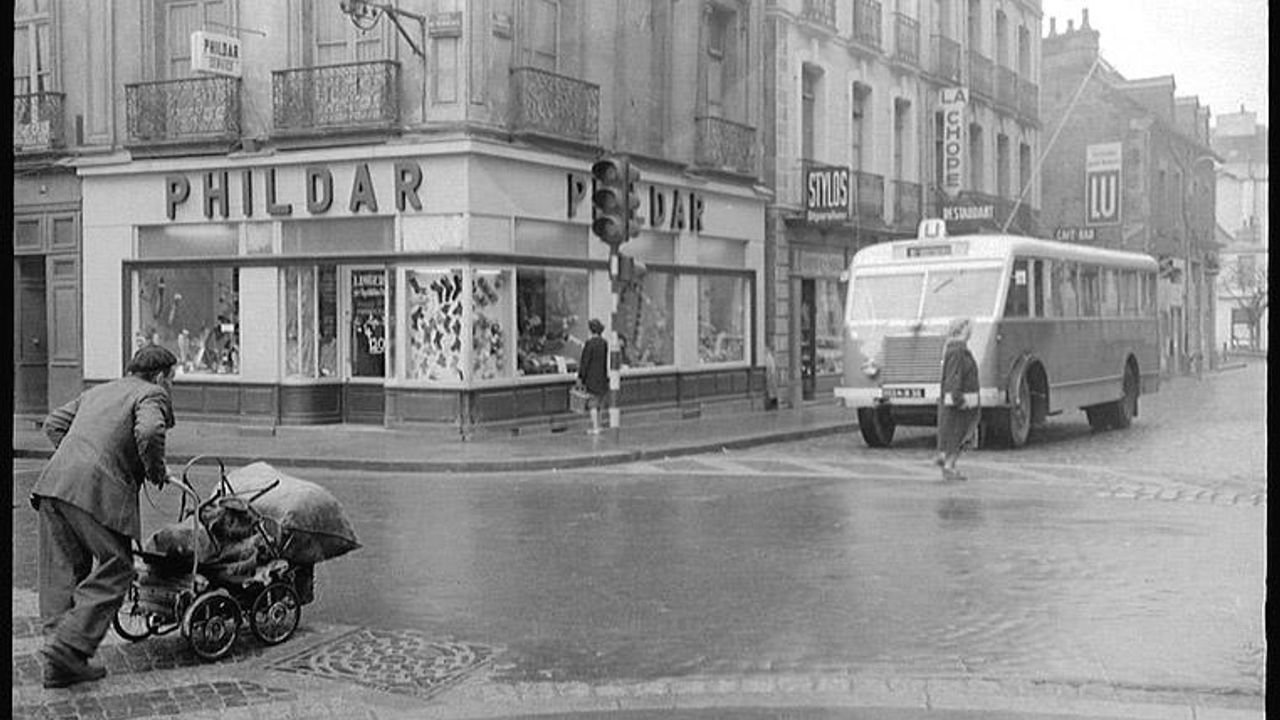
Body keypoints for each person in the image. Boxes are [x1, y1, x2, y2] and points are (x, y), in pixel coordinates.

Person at [29, 344, 178, 688]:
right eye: (172, 379)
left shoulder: (100, 390)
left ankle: (59, 659)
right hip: (95, 491)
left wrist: (77, 456)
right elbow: (150, 432)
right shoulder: (151, 394)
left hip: (54, 483)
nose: (171, 386)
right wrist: (154, 472)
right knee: (118, 568)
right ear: (159, 376)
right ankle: (69, 646)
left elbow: (54, 424)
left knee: (62, 572)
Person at [936, 318, 980, 481]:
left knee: (956, 432)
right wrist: (958, 398)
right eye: (969, 329)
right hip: (961, 401)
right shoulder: (958, 350)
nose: (971, 332)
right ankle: (949, 465)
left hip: (958, 399)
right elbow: (955, 377)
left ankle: (945, 459)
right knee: (960, 433)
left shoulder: (953, 349)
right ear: (963, 330)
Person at [578, 318, 609, 435]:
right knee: (599, 402)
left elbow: (585, 362)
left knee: (592, 404)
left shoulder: (590, 344)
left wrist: (581, 377)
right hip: (601, 376)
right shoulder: (604, 343)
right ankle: (599, 425)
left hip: (591, 377)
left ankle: (595, 427)